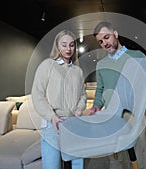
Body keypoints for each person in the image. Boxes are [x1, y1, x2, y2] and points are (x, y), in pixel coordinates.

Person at [88, 21, 146, 169]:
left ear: (115, 34)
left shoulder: (137, 56)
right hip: (110, 116)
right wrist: (96, 106)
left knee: (136, 159)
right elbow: (100, 90)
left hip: (133, 116)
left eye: (107, 37)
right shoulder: (101, 65)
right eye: (101, 41)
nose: (105, 43)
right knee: (114, 160)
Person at [31, 30, 87, 169]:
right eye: (64, 45)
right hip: (52, 124)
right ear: (57, 46)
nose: (68, 49)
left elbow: (83, 95)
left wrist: (80, 108)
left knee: (77, 166)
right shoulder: (47, 65)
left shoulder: (78, 71)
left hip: (74, 123)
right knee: (51, 165)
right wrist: (52, 116)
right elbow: (37, 95)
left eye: (71, 45)